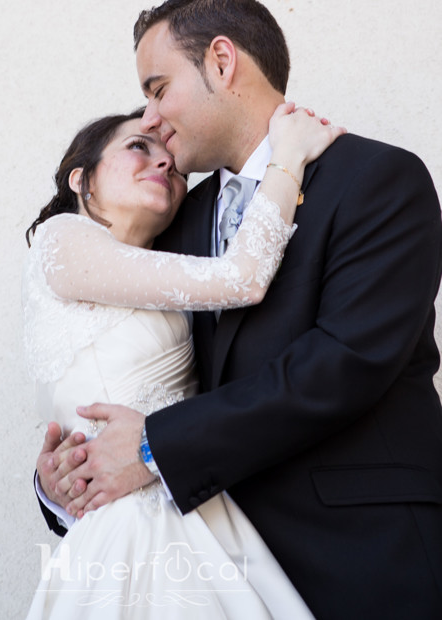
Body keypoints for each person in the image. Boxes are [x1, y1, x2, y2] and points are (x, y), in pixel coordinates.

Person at [38, 0, 442, 620]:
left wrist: (152, 448)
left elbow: (345, 363)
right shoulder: (170, 219)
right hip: (207, 571)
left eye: (158, 89)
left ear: (222, 62)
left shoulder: (377, 179)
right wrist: (67, 478)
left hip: (362, 556)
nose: (150, 118)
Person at [23, 101, 343, 617]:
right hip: (125, 531)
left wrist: (62, 480)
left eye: (174, 163)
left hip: (200, 504)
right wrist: (288, 157)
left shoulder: (168, 270)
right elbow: (243, 278)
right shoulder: (61, 238)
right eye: (138, 146)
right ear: (82, 180)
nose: (165, 162)